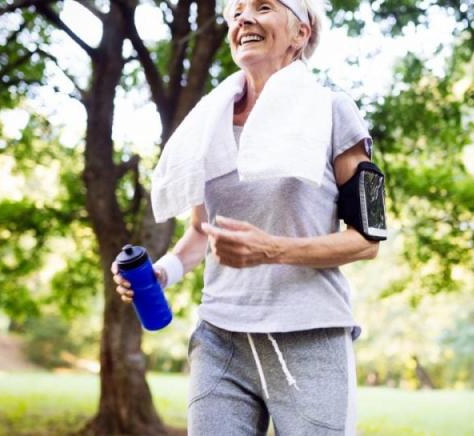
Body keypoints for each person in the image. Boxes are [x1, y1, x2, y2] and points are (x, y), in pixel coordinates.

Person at [111, 0, 382, 434]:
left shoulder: (333, 111)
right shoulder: (209, 122)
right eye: (236, 11)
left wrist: (272, 249)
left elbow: (368, 240)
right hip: (221, 337)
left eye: (263, 6)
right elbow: (201, 232)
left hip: (309, 336)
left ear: (301, 32)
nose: (244, 19)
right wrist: (161, 272)